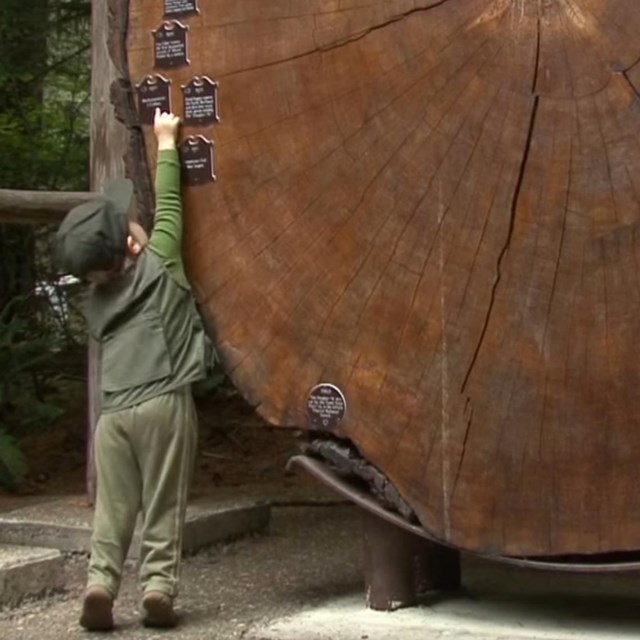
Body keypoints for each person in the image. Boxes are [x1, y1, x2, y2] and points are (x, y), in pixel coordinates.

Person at [55, 108, 215, 631]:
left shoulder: (96, 303)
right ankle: (157, 589)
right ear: (131, 244)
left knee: (114, 509)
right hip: (164, 404)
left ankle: (101, 582)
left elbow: (127, 227)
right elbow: (170, 207)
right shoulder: (163, 260)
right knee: (164, 501)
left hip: (113, 416)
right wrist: (167, 140)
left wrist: (123, 238)